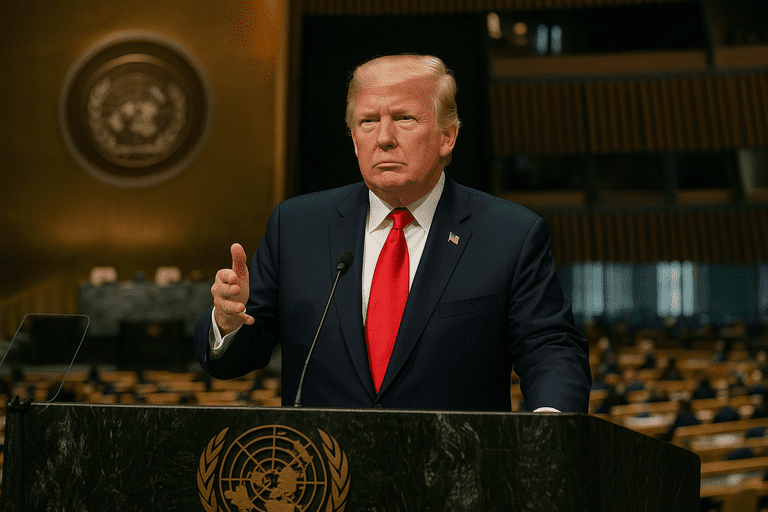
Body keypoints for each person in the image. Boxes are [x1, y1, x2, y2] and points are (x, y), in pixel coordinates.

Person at [193, 54, 591, 412]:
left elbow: (550, 348)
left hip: (457, 478)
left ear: (447, 137)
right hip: (326, 481)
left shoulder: (510, 234)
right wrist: (226, 323)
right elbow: (235, 360)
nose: (384, 138)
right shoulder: (297, 227)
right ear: (353, 138)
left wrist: (548, 431)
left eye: (404, 118)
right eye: (368, 122)